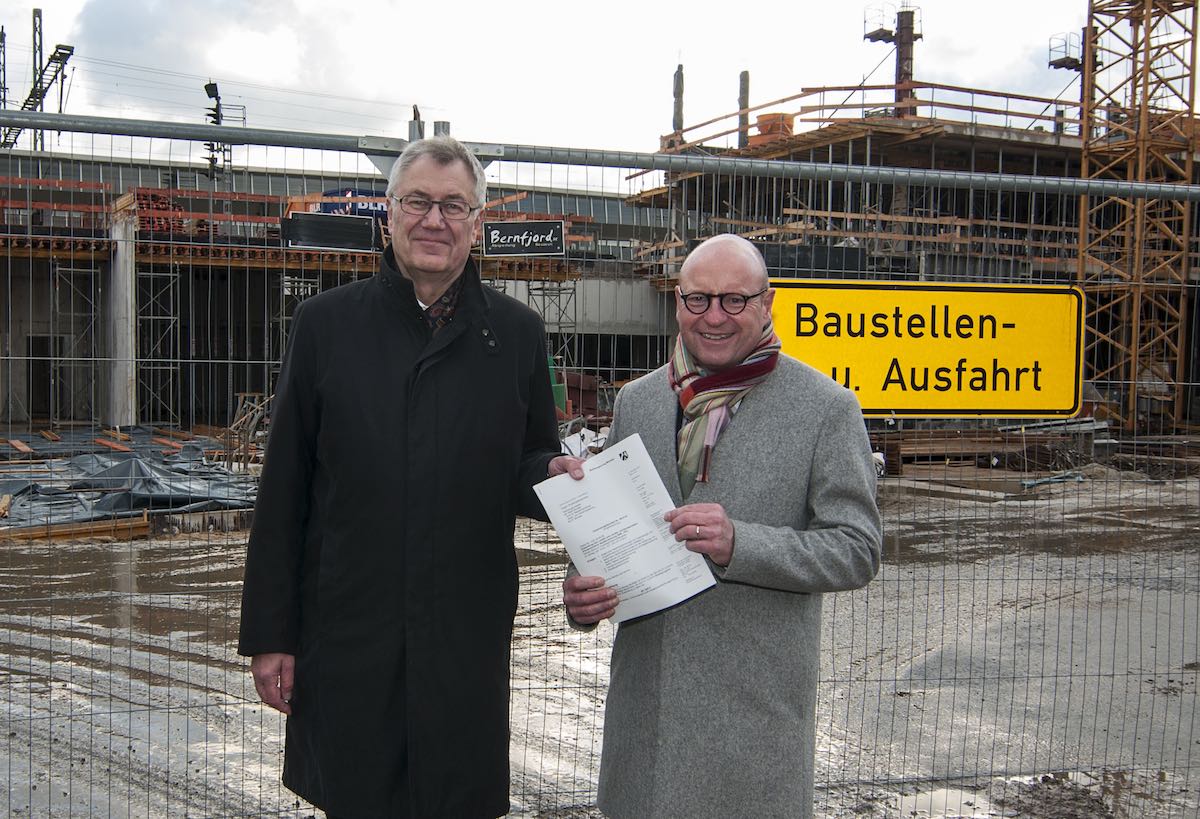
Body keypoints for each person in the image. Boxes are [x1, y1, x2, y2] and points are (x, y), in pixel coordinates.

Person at [239, 135, 582, 818]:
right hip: (350, 627)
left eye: (454, 206)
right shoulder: (325, 326)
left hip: (464, 629)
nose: (435, 220)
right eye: (419, 201)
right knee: (360, 791)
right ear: (389, 213)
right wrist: (270, 634)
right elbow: (284, 492)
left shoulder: (517, 334)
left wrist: (556, 473)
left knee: (456, 792)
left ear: (477, 223)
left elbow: (528, 459)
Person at [563, 234, 882, 818]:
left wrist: (743, 543)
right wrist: (580, 590)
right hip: (647, 720)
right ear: (677, 303)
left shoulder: (826, 408)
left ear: (767, 303)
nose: (713, 317)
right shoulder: (638, 401)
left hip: (751, 725)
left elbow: (857, 549)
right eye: (697, 300)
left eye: (734, 301)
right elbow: (610, 524)